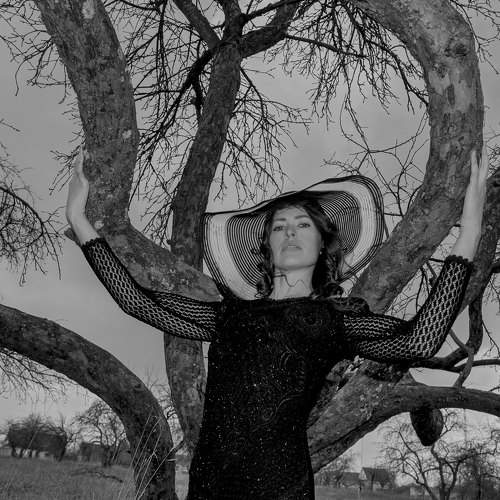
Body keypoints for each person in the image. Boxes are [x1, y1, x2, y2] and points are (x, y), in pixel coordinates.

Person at [66, 146, 487, 499]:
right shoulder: (229, 314)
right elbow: (137, 301)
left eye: (303, 225)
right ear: (266, 245)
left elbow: (419, 341)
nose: (290, 232)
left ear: (322, 244)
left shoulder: (334, 319)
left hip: (280, 488)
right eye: (279, 227)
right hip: (209, 486)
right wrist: (79, 220)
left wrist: (469, 231)